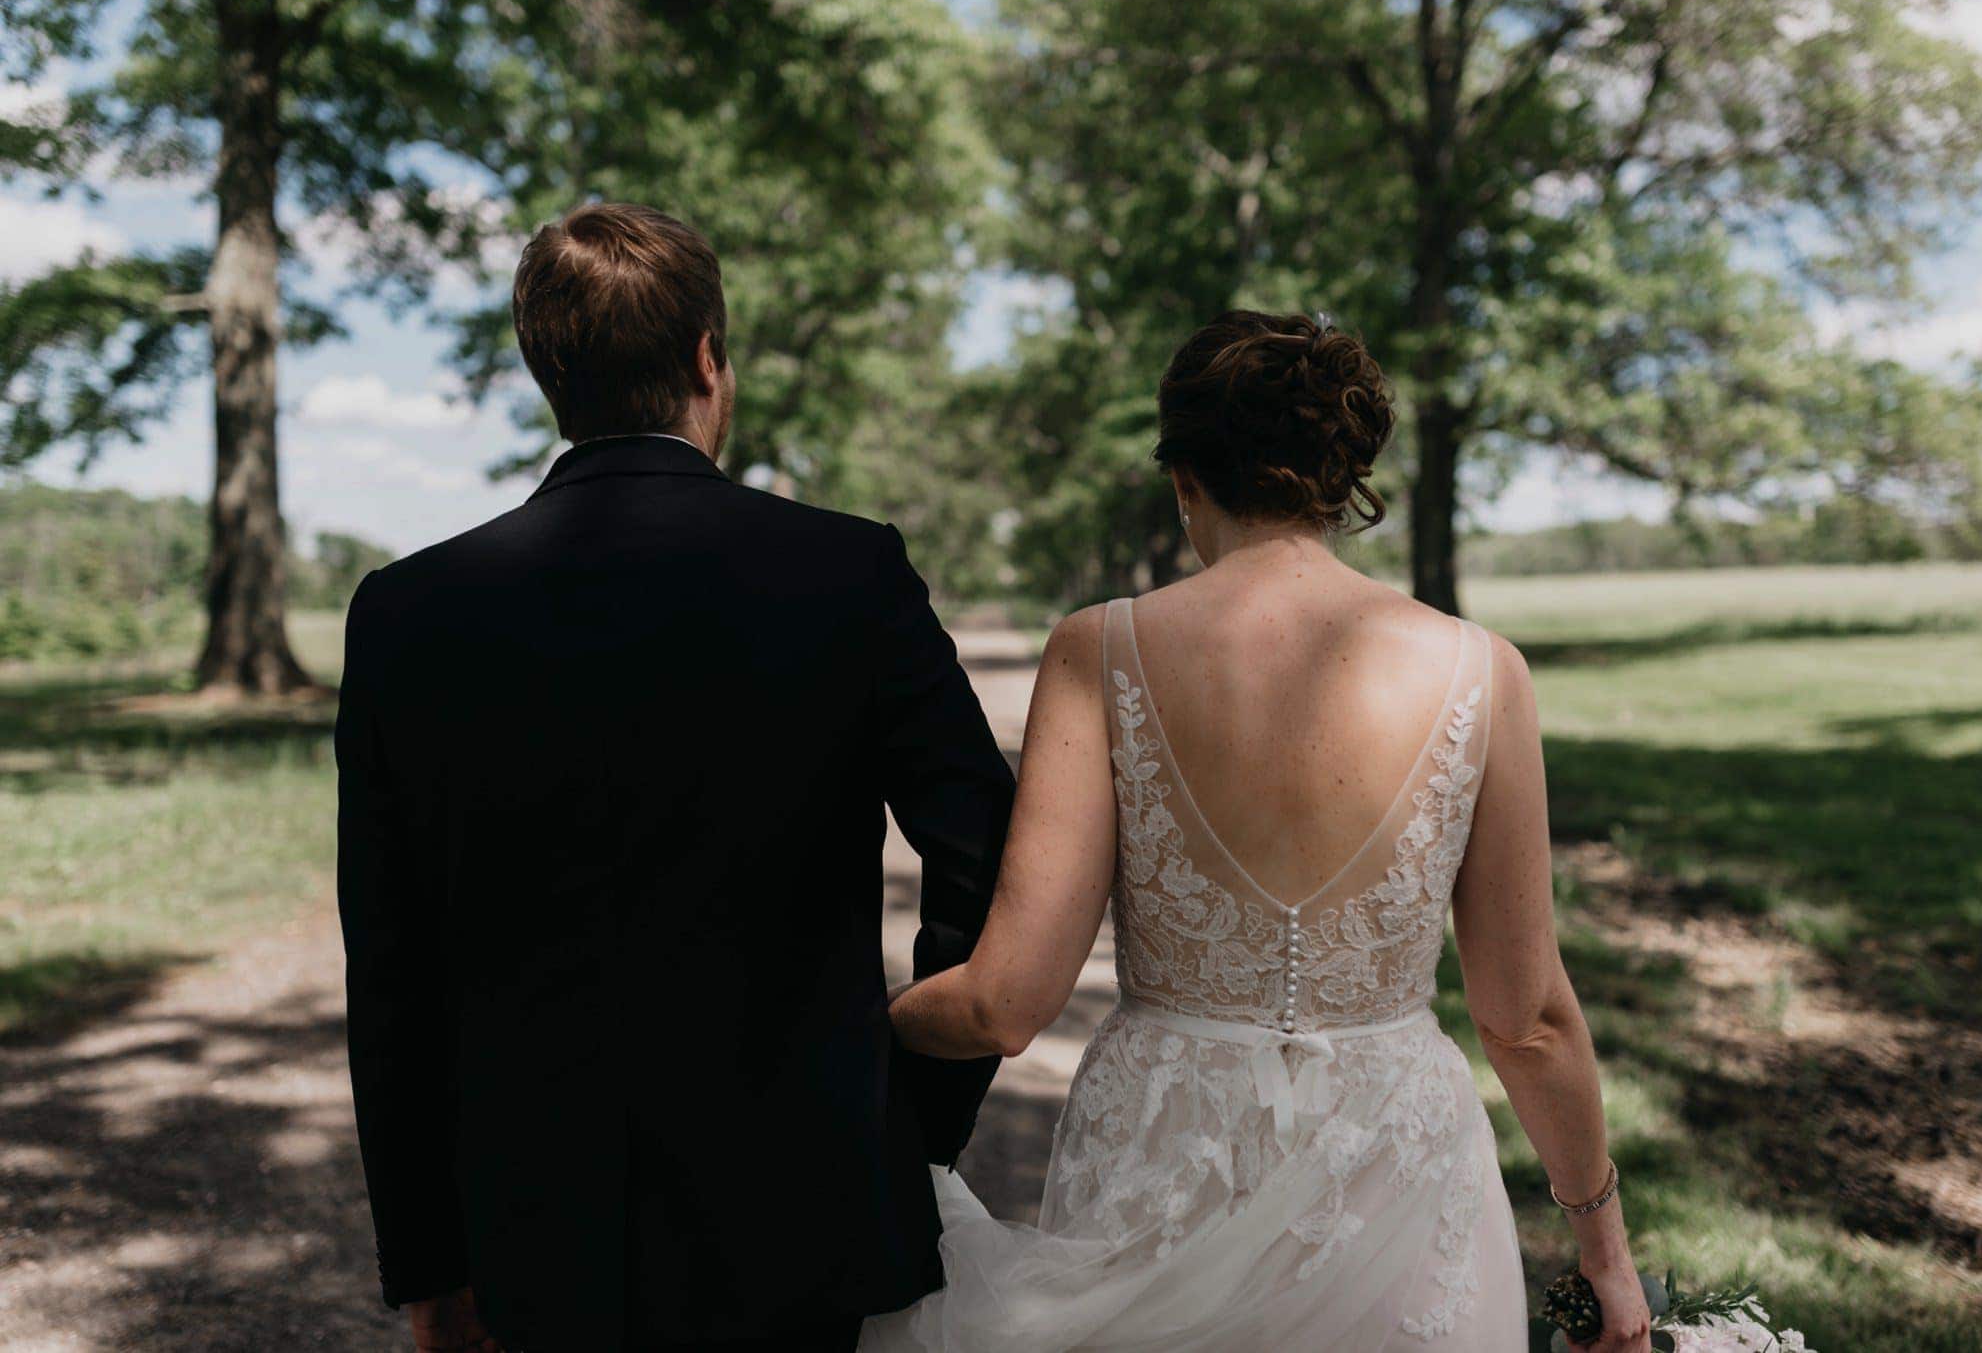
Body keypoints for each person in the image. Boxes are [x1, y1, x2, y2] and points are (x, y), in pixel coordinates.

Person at [865, 311, 1653, 1352]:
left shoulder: (1100, 649)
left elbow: (1006, 999)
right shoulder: (1480, 669)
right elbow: (1525, 1019)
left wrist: (857, 1029)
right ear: (1340, 481)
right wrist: (1603, 1248)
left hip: (1162, 1147)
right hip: (1396, 1170)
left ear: (1184, 477)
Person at [336, 202, 1016, 1352]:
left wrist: (431, 1262)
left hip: (532, 1219)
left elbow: (390, 971)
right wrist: (910, 1114)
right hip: (804, 1199)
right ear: (709, 357)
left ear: (544, 372)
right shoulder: (845, 570)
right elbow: (984, 849)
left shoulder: (408, 610)